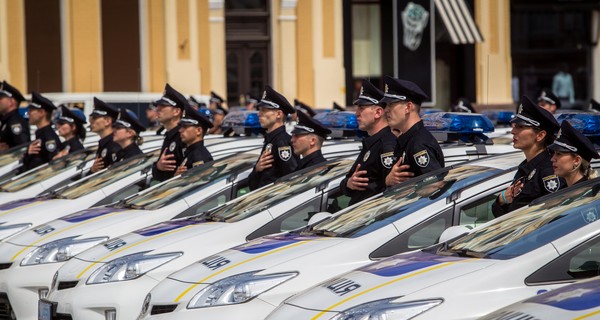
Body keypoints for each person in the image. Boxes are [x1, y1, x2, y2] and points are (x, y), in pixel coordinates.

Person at [492, 96, 563, 217]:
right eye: (514, 126)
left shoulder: (549, 170)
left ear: (540, 135)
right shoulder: (526, 167)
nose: (513, 131)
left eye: (520, 127)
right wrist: (502, 199)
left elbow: (552, 218)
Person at [340, 79, 398, 205]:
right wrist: (349, 184)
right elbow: (348, 181)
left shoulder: (387, 145)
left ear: (378, 112)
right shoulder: (370, 143)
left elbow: (391, 192)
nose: (356, 114)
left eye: (361, 108)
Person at [382, 76, 444, 187]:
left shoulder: (419, 144)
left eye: (391, 104)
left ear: (408, 107)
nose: (386, 109)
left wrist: (409, 192)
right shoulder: (408, 140)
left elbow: (436, 186)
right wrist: (389, 181)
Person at [248, 86, 298, 190]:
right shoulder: (271, 140)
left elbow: (291, 180)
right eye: (259, 110)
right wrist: (257, 169)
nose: (259, 114)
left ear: (279, 114)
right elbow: (254, 184)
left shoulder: (282, 142)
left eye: (264, 110)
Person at [152, 83, 186, 182]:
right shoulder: (169, 136)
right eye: (158, 106)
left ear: (176, 111)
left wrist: (176, 178)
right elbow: (157, 177)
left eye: (163, 106)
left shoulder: (182, 136)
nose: (158, 109)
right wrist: (158, 166)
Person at [21, 92, 62, 172]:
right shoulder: (41, 134)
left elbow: (53, 166)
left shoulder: (48, 137)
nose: (28, 113)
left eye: (32, 110)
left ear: (42, 113)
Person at [549, 121, 599, 187]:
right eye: (553, 153)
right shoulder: (564, 190)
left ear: (576, 160)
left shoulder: (586, 192)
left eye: (558, 154)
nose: (552, 159)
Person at [175, 105, 214, 175]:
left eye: (185, 127)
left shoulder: (199, 156)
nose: (180, 130)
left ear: (198, 131)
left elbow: (199, 183)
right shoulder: (191, 152)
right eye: (181, 127)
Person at [89, 98, 121, 173]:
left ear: (107, 121)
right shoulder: (104, 143)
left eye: (94, 118)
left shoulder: (114, 145)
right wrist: (92, 170)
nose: (91, 121)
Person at [0, 81, 30, 150]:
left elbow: (22, 148)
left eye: (0, 98)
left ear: (11, 102)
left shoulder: (15, 122)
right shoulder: (6, 120)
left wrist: (7, 151)